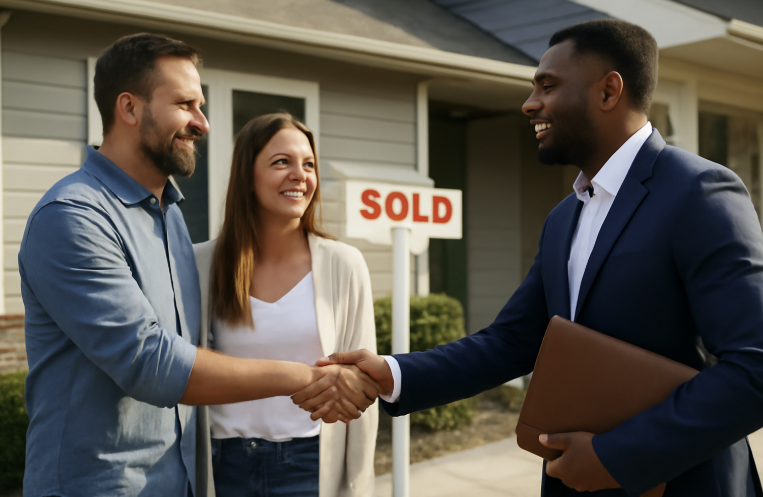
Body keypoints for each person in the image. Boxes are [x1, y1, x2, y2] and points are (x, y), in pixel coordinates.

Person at [297, 19, 763, 496]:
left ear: (609, 91)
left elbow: (755, 367)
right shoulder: (564, 217)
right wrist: (393, 373)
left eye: (548, 85)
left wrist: (615, 457)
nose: (529, 103)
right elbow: (513, 341)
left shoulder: (700, 193)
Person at [20, 33, 373, 497]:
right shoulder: (72, 217)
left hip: (179, 482)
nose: (202, 123)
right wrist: (306, 377)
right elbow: (151, 362)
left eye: (201, 105)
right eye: (186, 104)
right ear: (129, 108)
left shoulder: (169, 216)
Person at [193, 113, 379, 497]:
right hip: (222, 466)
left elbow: (362, 392)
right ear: (248, 175)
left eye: (308, 164)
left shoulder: (344, 264)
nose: (300, 174)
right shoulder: (199, 265)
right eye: (282, 162)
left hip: (311, 467)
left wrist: (359, 485)